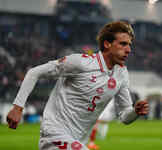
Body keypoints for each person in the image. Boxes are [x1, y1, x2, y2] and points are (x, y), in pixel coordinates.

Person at [7, 21, 149, 150]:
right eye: (123, 44)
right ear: (107, 44)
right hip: (54, 135)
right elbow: (34, 72)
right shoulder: (80, 63)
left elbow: (125, 116)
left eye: (129, 45)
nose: (128, 49)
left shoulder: (121, 74)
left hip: (78, 141)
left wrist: (135, 112)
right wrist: (17, 107)